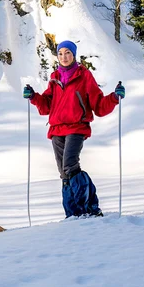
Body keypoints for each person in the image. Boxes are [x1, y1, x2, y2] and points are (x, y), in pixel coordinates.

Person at [23, 40, 125, 218]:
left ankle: (87, 209)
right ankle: (73, 214)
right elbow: (47, 105)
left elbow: (98, 105)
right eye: (60, 53)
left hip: (77, 127)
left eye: (68, 52)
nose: (64, 56)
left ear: (74, 55)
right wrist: (33, 96)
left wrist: (115, 97)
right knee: (64, 172)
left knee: (70, 165)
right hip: (56, 129)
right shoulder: (54, 78)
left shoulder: (84, 76)